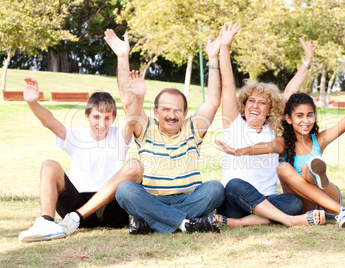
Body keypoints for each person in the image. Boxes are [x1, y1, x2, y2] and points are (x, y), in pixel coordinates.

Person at [218, 58, 345, 228]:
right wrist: (241, 151)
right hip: (306, 205)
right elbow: (265, 147)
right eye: (299, 116)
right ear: (289, 119)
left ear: (315, 117)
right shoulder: (282, 143)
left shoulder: (320, 140)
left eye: (310, 115)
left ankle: (315, 177)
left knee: (303, 176)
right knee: (285, 170)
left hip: (328, 197)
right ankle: (333, 202)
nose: (305, 121)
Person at [104, 28, 224, 234]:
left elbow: (213, 101)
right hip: (151, 197)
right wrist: (122, 57)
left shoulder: (192, 129)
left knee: (215, 189)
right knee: (125, 190)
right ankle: (185, 224)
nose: (171, 115)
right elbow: (127, 101)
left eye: (177, 110)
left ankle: (152, 222)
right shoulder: (146, 127)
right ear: (156, 111)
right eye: (166, 109)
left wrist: (213, 57)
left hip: (189, 197)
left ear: (185, 113)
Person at [214, 21, 325, 227]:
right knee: (236, 184)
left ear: (269, 109)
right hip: (235, 198)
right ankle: (288, 221)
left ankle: (238, 223)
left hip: (267, 199)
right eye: (251, 101)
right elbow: (228, 84)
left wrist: (307, 62)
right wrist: (224, 47)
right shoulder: (234, 123)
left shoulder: (273, 129)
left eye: (262, 102)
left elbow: (290, 92)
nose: (255, 106)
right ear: (244, 105)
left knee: (294, 201)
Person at [18, 78, 143, 242]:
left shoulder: (118, 136)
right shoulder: (77, 136)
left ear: (113, 119)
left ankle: (77, 217)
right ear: (87, 116)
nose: (102, 124)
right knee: (49, 165)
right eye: (96, 117)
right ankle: (46, 222)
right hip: (75, 208)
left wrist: (139, 97)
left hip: (111, 208)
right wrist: (32, 103)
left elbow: (133, 118)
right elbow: (49, 122)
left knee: (136, 166)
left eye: (107, 118)